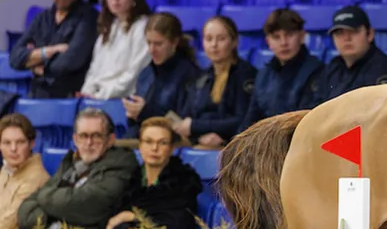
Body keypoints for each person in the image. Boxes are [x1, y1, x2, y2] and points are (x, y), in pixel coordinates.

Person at [17, 108, 139, 229]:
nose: (89, 143)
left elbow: (86, 205)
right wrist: (51, 214)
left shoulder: (121, 164)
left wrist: (45, 200)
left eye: (96, 136)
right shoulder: (72, 163)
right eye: (83, 135)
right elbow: (26, 214)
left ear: (110, 140)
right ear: (75, 139)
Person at [9, 0, 98, 99]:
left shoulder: (89, 18)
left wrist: (36, 65)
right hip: (37, 95)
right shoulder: (41, 19)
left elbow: (69, 62)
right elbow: (14, 58)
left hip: (69, 98)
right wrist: (47, 52)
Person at [105, 116, 203, 229]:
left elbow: (177, 225)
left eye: (162, 143)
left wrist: (132, 217)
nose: (154, 148)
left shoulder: (184, 182)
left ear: (172, 148)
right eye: (148, 141)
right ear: (140, 146)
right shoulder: (127, 180)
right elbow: (111, 226)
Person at [238, 9, 324, 134]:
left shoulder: (316, 70)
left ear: (301, 36)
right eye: (276, 37)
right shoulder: (263, 74)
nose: (283, 43)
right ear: (268, 42)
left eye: (289, 35)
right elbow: (250, 120)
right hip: (267, 143)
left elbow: (306, 120)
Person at [178, 16, 257, 149]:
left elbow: (243, 120)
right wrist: (199, 136)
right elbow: (186, 117)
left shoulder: (246, 75)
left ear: (234, 42)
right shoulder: (201, 77)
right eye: (208, 39)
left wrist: (197, 127)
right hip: (200, 140)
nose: (214, 45)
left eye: (221, 39)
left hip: (233, 145)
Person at [125, 13, 201, 137]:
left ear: (174, 42)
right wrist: (132, 114)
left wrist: (145, 112)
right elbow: (134, 122)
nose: (152, 49)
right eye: (149, 43)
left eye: (158, 44)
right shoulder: (146, 72)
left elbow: (182, 125)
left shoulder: (190, 75)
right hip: (141, 137)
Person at [80, 0, 153, 100]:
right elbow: (94, 70)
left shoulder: (143, 27)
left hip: (123, 99)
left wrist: (100, 96)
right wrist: (86, 93)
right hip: (98, 97)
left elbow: (134, 74)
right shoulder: (109, 28)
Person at [314, 6, 387, 104]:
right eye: (339, 33)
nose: (347, 38)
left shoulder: (384, 69)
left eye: (354, 31)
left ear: (370, 34)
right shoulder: (332, 68)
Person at [0, 114, 50, 229]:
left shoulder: (35, 178)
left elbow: (7, 226)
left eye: (20, 142)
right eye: (7, 142)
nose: (13, 149)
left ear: (32, 144)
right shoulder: (7, 168)